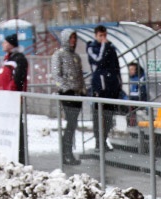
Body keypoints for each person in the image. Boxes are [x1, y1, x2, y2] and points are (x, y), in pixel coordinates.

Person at [51, 28, 86, 165]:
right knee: (70, 124)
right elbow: (56, 75)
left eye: (74, 38)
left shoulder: (75, 57)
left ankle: (68, 152)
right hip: (67, 94)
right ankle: (66, 153)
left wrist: (82, 90)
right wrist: (66, 88)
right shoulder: (58, 55)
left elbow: (80, 75)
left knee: (73, 124)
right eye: (70, 38)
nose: (73, 41)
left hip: (77, 94)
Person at [86, 25, 121, 150]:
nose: (103, 38)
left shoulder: (110, 48)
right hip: (100, 88)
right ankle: (98, 142)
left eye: (105, 35)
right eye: (100, 36)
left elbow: (116, 66)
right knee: (98, 116)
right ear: (96, 36)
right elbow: (98, 61)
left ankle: (104, 140)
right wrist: (103, 46)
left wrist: (118, 82)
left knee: (108, 116)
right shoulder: (92, 47)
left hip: (111, 87)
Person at [0, 33, 29, 164]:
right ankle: (12, 155)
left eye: (4, 42)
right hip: (6, 99)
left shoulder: (18, 59)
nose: (2, 45)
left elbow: (18, 79)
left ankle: (20, 158)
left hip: (12, 99)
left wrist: (12, 93)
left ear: (10, 44)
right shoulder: (8, 58)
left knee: (17, 128)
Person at [126, 61, 148, 127]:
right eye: (129, 69)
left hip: (140, 100)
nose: (130, 71)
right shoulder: (132, 78)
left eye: (132, 69)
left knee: (130, 106)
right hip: (134, 100)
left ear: (137, 70)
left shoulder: (141, 78)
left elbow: (142, 92)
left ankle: (132, 123)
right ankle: (131, 123)